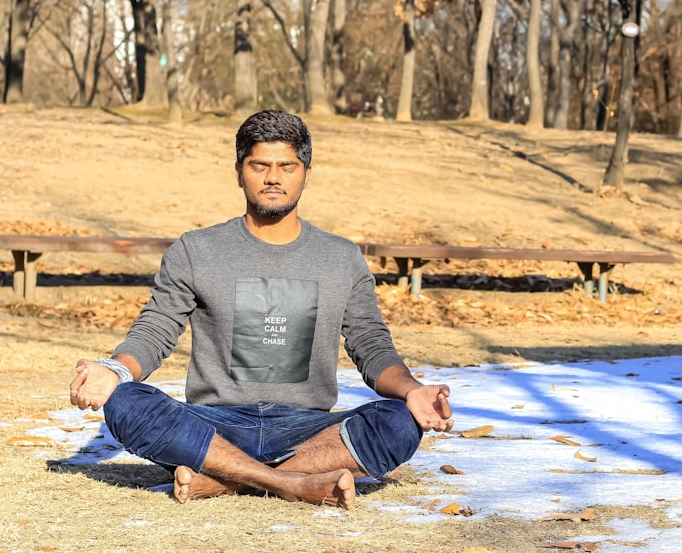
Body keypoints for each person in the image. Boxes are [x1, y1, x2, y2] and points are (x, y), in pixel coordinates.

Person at [69, 110, 453, 509]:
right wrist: (115, 371)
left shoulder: (341, 258)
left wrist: (412, 391)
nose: (273, 178)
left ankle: (225, 480)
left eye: (287, 166)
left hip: (309, 428)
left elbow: (371, 345)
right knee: (127, 402)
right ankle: (293, 483)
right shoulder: (196, 250)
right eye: (260, 165)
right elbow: (156, 329)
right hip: (214, 425)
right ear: (239, 171)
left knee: (399, 421)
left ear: (305, 172)